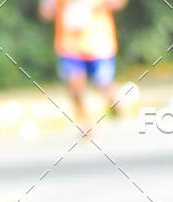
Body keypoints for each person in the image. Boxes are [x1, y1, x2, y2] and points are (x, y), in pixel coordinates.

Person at [39, 0, 128, 138]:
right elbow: (46, 11)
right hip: (69, 45)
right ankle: (86, 124)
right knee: (75, 86)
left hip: (99, 43)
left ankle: (115, 104)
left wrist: (91, 7)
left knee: (105, 86)